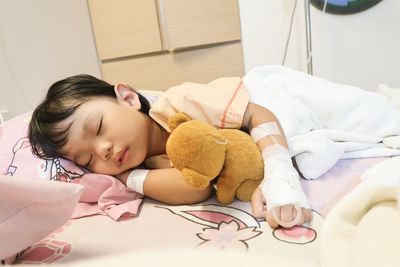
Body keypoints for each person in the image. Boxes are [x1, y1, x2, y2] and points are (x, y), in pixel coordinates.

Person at [29, 66, 338, 229]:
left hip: (274, 97)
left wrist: (279, 177)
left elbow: (258, 114)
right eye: (88, 158)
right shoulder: (147, 166)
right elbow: (195, 188)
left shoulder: (179, 101)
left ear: (127, 97)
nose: (104, 151)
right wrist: (126, 179)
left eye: (97, 128)